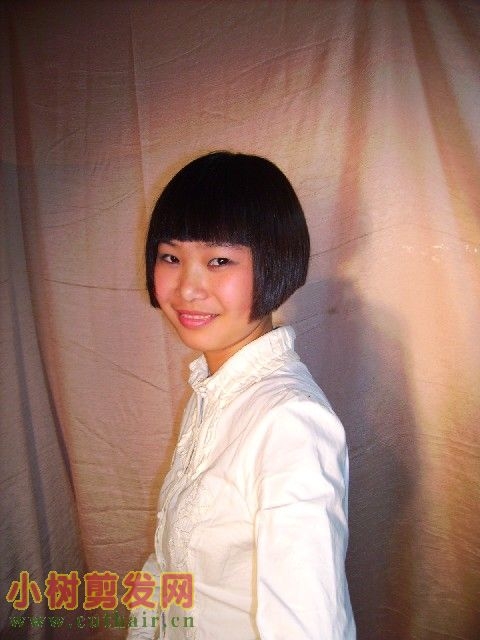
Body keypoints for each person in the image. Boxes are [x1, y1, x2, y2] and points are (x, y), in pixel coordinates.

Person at [128, 152, 355, 639]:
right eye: (171, 257)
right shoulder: (213, 393)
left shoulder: (289, 422)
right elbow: (168, 565)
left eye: (219, 261)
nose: (188, 288)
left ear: (276, 264)